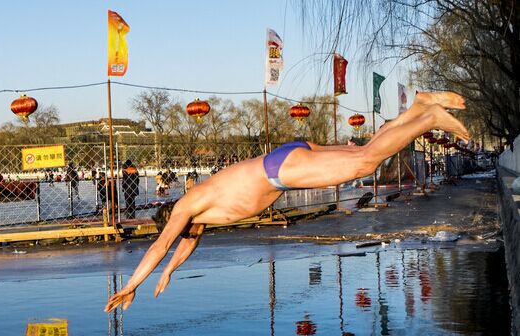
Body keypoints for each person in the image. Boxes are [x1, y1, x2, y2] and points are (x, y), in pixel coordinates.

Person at [105, 91, 469, 312]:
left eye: (181, 231)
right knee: (367, 150)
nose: (188, 236)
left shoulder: (187, 206)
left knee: (366, 162)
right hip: (285, 159)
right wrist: (169, 272)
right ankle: (417, 107)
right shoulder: (199, 214)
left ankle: (429, 118)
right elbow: (182, 247)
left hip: (280, 170)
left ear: (176, 220)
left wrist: (130, 285)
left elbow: (161, 246)